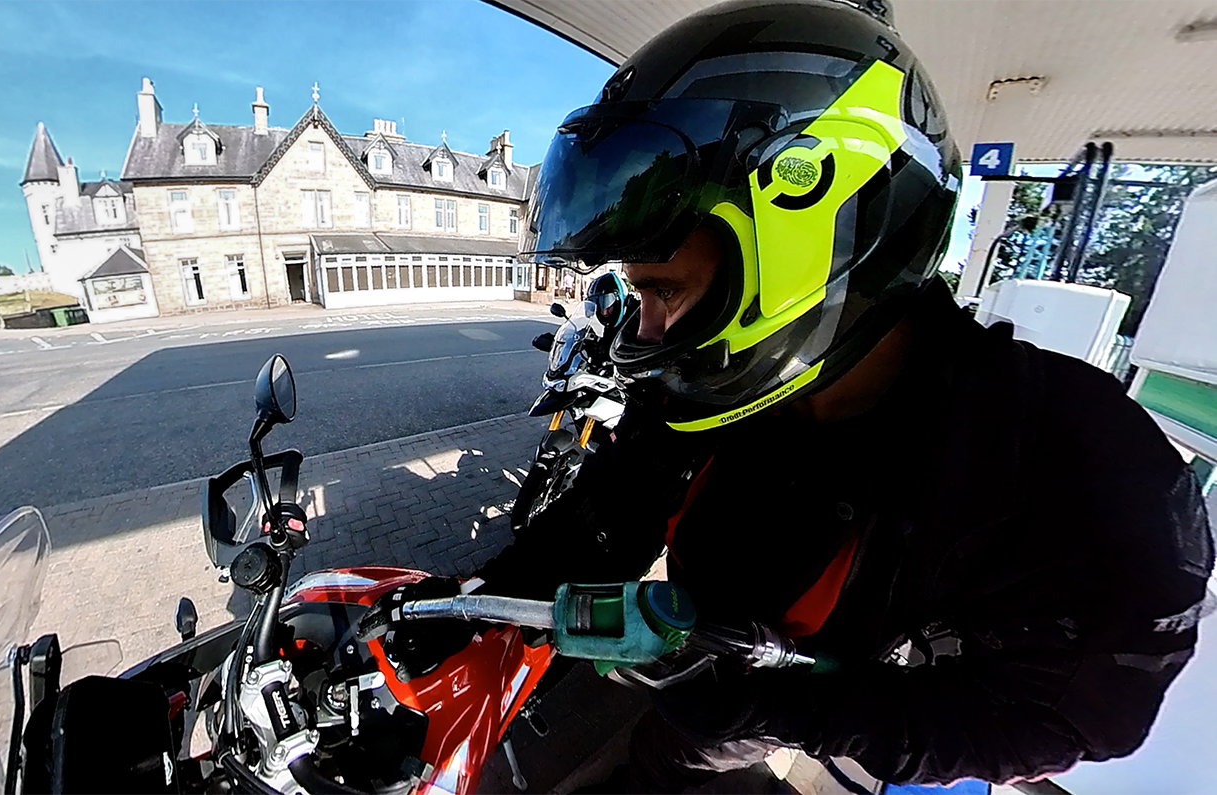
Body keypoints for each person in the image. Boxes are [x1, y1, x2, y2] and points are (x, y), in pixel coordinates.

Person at [376, 0, 1214, 789]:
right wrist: (455, 608)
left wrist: (795, 711)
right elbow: (607, 516)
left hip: (806, 701)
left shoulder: (1092, 467)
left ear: (809, 227)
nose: (650, 333)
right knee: (667, 742)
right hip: (700, 661)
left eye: (662, 289)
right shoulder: (710, 387)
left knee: (685, 755)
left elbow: (1053, 721)